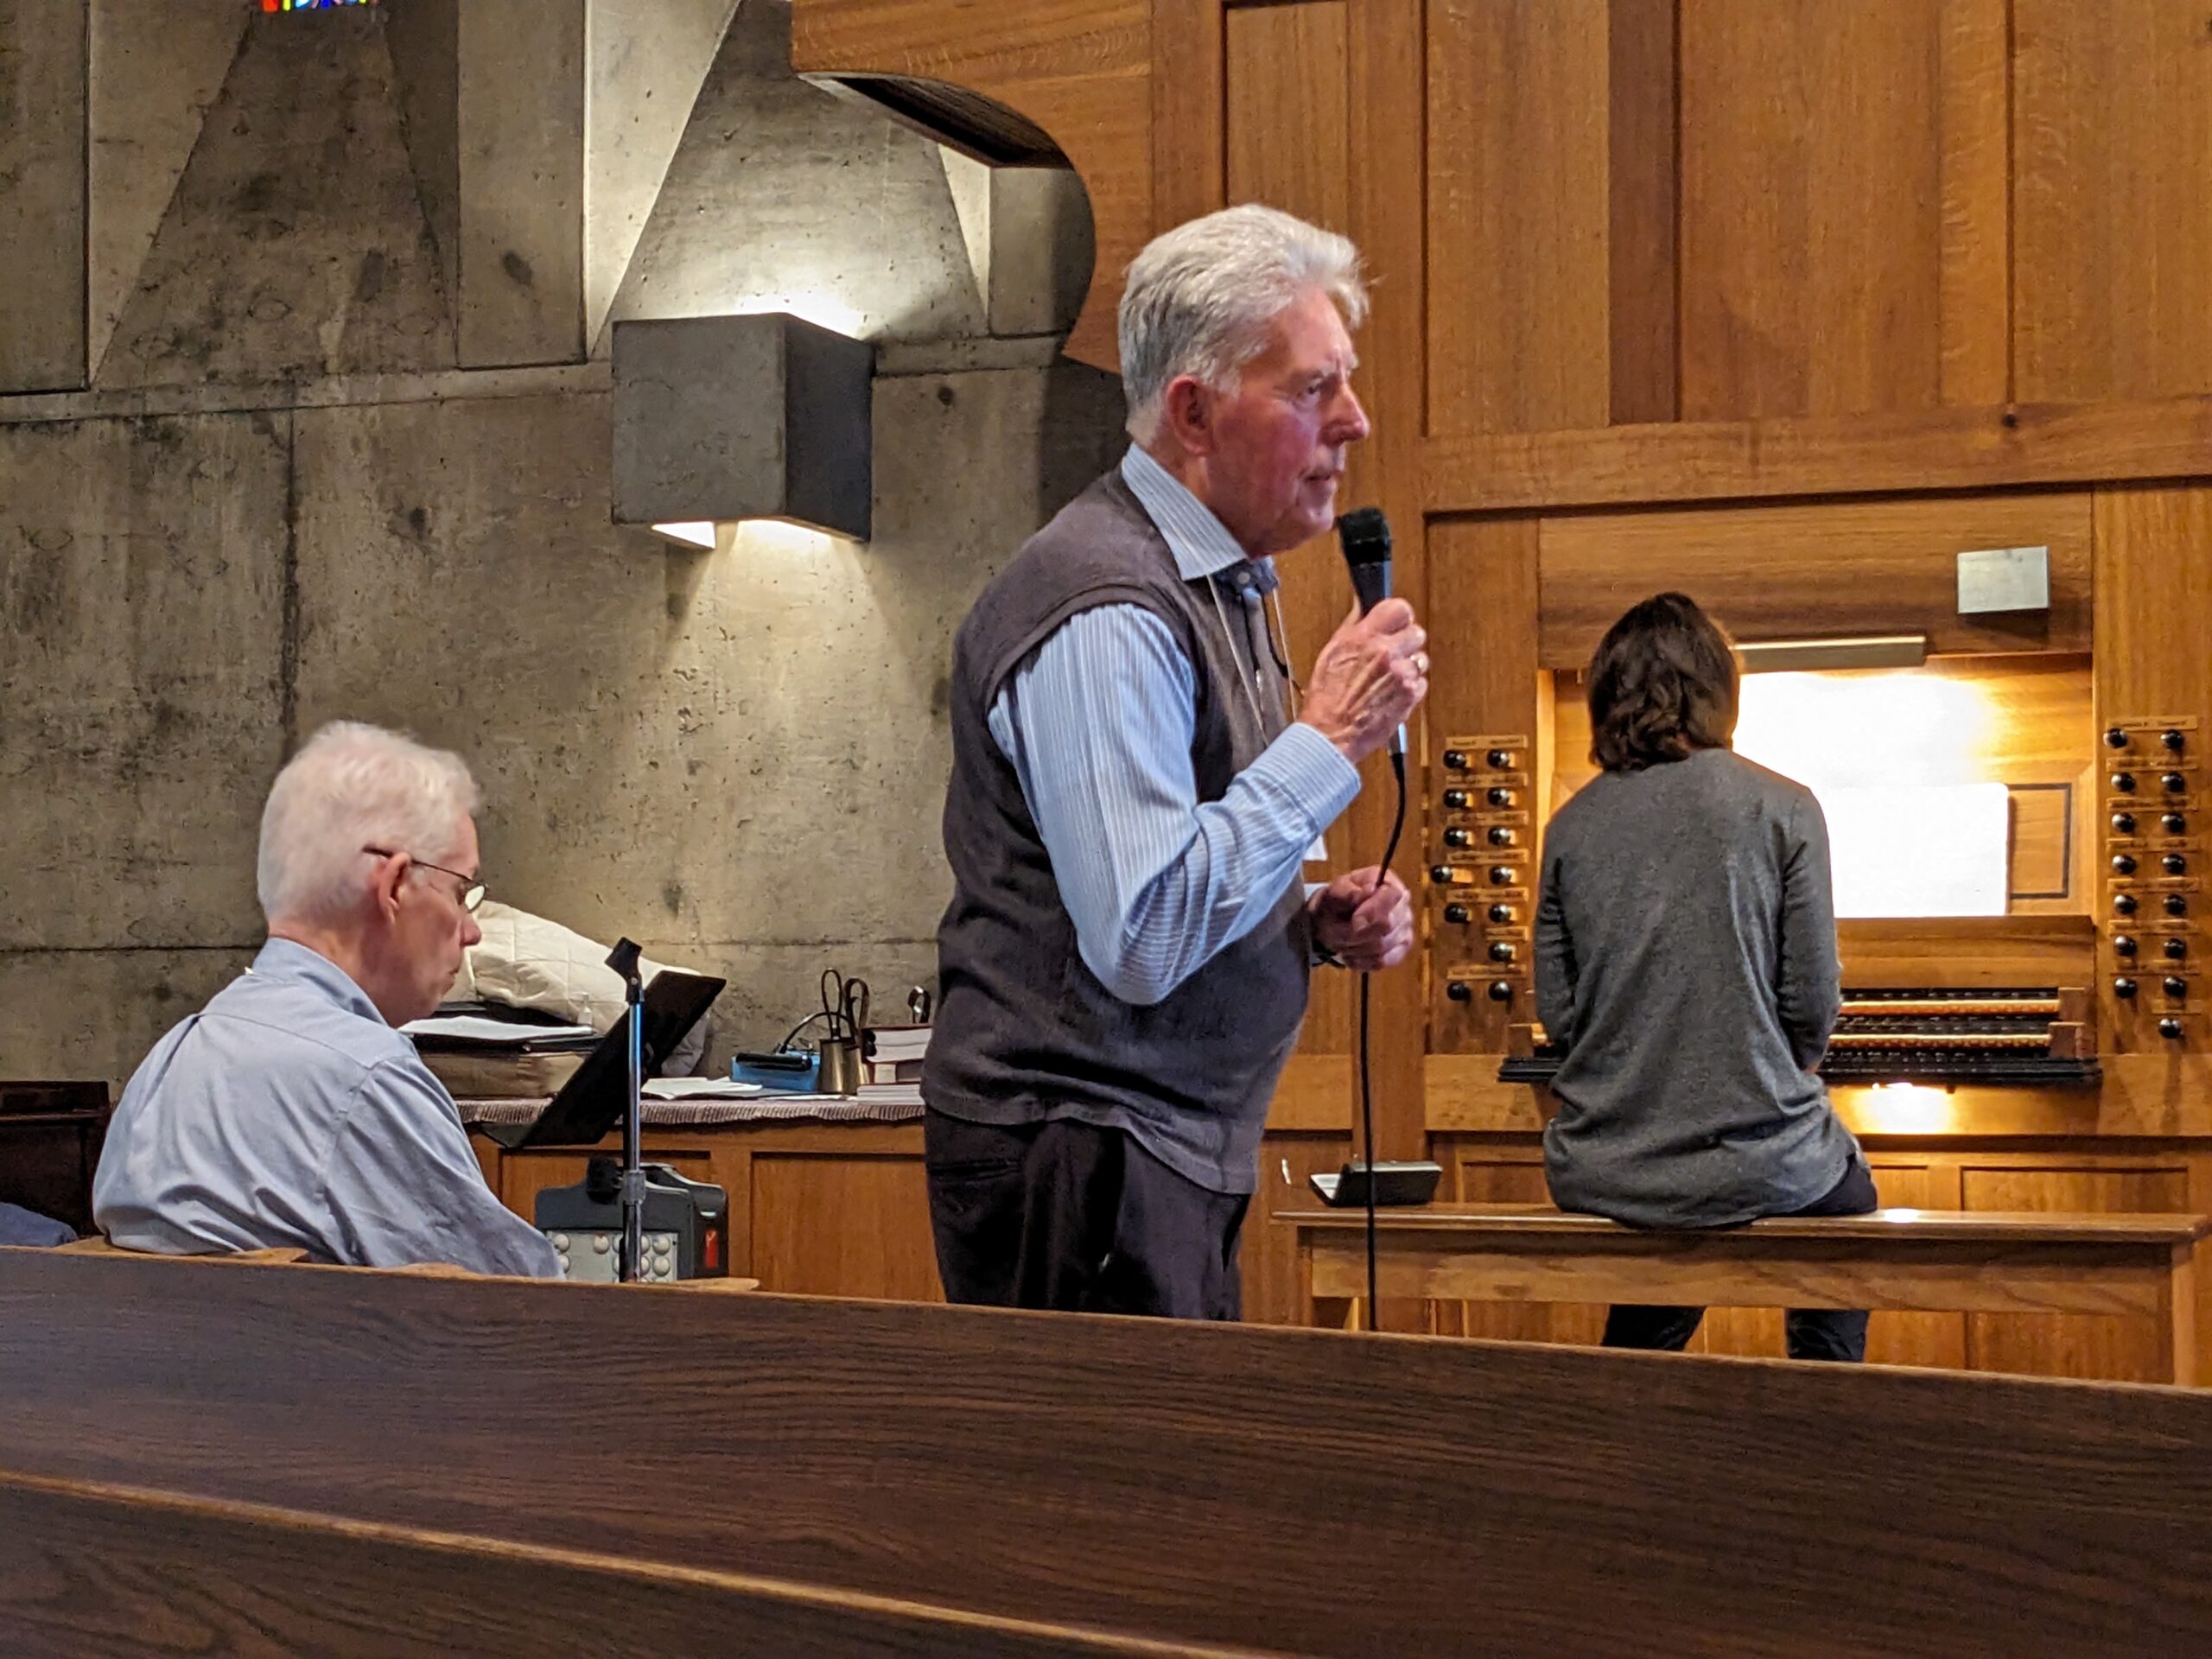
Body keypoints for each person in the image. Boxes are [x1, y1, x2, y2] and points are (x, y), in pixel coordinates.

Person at [923, 205, 1429, 1320]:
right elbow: (1142, 934)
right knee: (1104, 1495)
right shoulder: (1105, 604)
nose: (1356, 420)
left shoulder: (1220, 576)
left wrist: (1300, 915)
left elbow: (1160, 858)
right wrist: (1331, 738)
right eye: (1311, 390)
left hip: (1153, 1148)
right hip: (1082, 1157)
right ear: (1194, 413)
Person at [1535, 593, 1875, 1361]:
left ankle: (1632, 1409)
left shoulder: (1569, 826)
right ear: (1717, 690)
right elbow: (1812, 1002)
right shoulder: (1784, 806)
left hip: (1605, 1164)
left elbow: (1557, 1015)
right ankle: (1823, 1414)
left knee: (1668, 1222)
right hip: (1762, 1159)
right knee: (1849, 1207)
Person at [93, 721, 560, 1278]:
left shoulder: (167, 1062)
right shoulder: (366, 1079)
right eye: (462, 892)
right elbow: (521, 1315)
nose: (471, 930)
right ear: (393, 887)